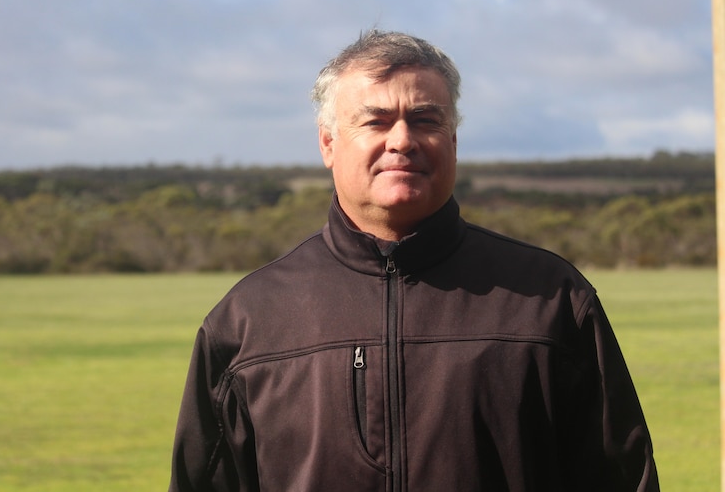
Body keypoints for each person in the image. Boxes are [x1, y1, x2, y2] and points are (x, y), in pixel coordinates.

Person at [169, 30, 658, 491]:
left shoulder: (550, 299)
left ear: (454, 143)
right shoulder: (248, 319)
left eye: (426, 120)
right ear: (328, 143)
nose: (402, 140)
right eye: (376, 120)